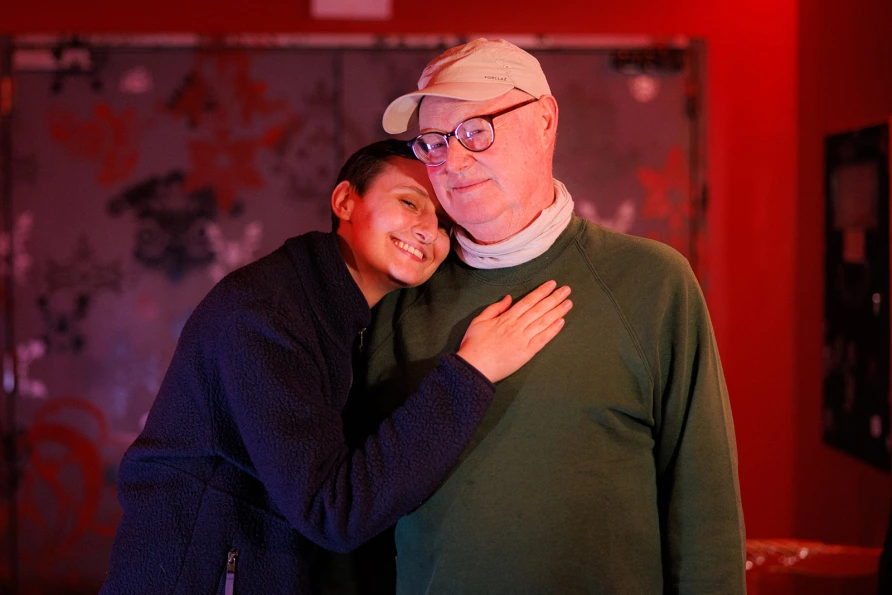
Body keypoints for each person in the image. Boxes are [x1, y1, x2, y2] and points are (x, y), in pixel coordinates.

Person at [354, 38, 746, 594]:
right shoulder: (396, 298)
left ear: (544, 121)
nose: (453, 162)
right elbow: (356, 510)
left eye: (475, 130)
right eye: (434, 142)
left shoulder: (653, 283)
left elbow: (705, 509)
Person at [100, 139, 572, 595]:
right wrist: (473, 371)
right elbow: (332, 511)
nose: (430, 230)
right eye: (410, 203)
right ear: (346, 201)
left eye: (446, 223)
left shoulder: (334, 309)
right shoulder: (265, 314)